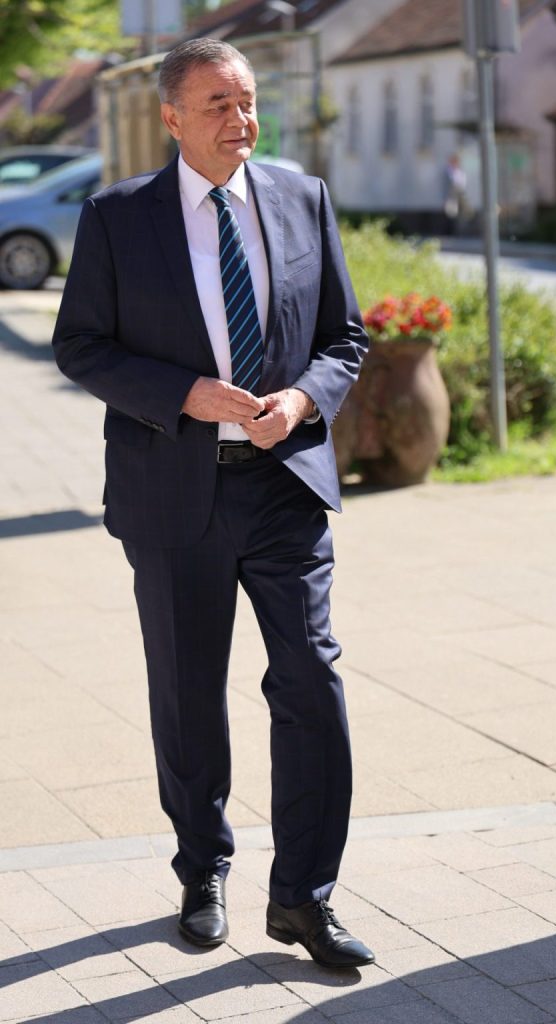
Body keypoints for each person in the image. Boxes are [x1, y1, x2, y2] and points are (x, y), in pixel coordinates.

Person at [52, 38, 373, 970]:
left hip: (283, 486)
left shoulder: (303, 198)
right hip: (172, 492)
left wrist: (302, 400)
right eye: (219, 104)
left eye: (248, 101)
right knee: (189, 693)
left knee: (311, 682)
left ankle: (304, 897)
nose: (242, 119)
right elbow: (82, 345)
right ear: (171, 117)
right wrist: (183, 394)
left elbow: (344, 336)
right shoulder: (118, 217)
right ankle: (202, 869)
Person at [442, 153, 468, 236]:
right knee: (450, 213)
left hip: (459, 194)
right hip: (451, 195)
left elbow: (462, 183)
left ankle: (459, 232)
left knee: (460, 214)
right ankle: (450, 232)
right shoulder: (448, 171)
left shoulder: (460, 172)